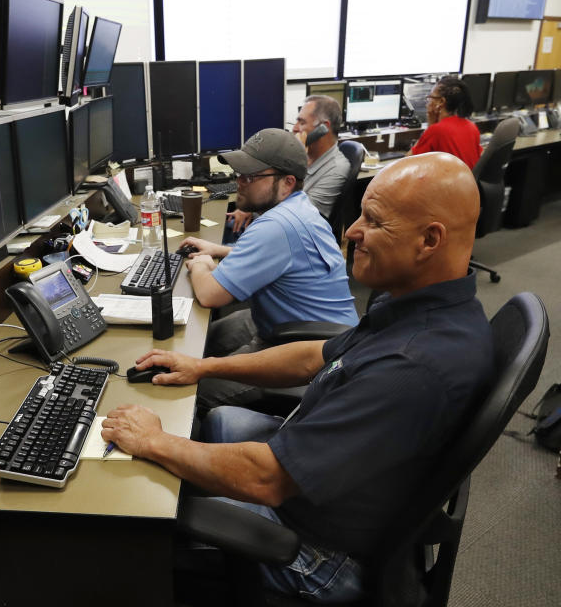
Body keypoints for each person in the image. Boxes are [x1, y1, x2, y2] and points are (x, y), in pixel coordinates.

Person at [102, 153, 493, 603]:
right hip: (338, 486)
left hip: (321, 554)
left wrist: (153, 441)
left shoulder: (414, 366)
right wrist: (203, 366)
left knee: (137, 511)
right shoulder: (420, 306)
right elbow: (315, 355)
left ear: (429, 240)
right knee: (220, 420)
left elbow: (267, 481)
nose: (351, 232)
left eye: (373, 221)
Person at [180, 129, 357, 364]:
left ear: (287, 183)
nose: (239, 183)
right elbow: (285, 259)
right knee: (203, 342)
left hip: (315, 353)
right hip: (315, 330)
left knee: (199, 386)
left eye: (250, 176)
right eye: (239, 174)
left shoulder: (275, 226)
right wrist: (219, 250)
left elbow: (210, 295)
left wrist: (200, 265)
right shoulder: (300, 208)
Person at [226, 95, 350, 233]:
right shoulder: (306, 158)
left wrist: (254, 206)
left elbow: (297, 218)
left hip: (283, 234)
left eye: (302, 123)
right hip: (262, 224)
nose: (295, 129)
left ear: (323, 128)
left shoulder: (336, 169)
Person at [410, 76, 483, 169]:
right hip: (469, 183)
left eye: (430, 98)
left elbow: (408, 163)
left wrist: (430, 126)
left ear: (441, 102)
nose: (427, 103)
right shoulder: (471, 126)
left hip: (450, 183)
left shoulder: (436, 130)